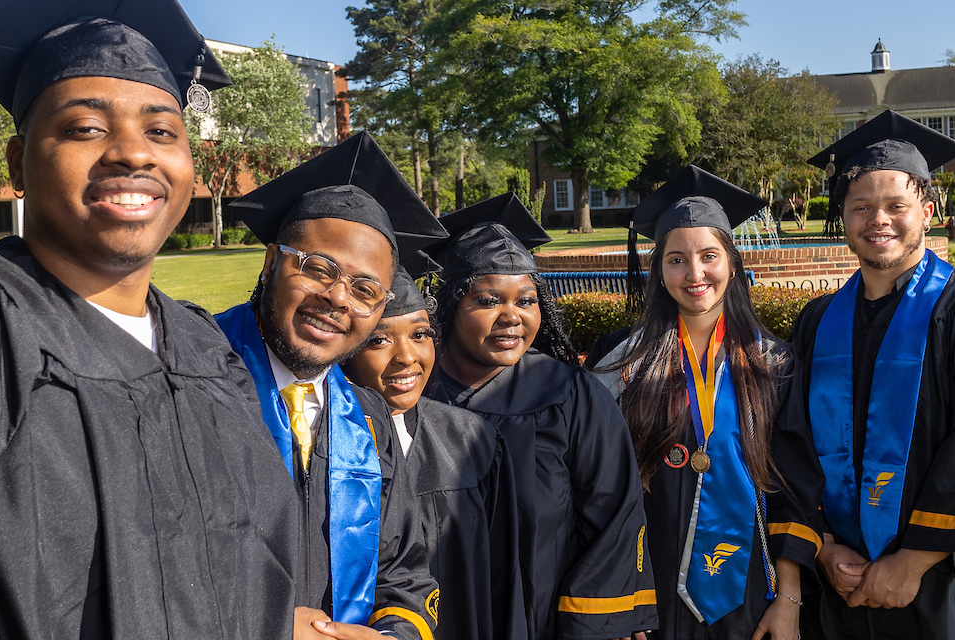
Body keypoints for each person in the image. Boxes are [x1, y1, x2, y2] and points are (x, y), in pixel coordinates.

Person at [0, 0, 299, 639]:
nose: (132, 152)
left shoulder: (211, 353)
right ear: (17, 164)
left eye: (161, 130)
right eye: (85, 127)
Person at [791, 110, 955, 639]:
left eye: (895, 206)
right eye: (861, 207)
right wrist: (826, 544)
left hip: (949, 578)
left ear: (927, 212)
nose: (878, 219)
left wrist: (914, 561)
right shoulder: (817, 323)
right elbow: (792, 441)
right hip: (841, 580)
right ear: (843, 218)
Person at [214, 132, 445, 640]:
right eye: (318, 269)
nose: (339, 298)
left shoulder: (368, 416)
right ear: (272, 262)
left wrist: (392, 637)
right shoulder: (189, 381)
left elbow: (403, 568)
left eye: (366, 290)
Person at [593, 165, 824, 639]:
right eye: (676, 259)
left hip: (754, 593)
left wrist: (789, 598)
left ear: (733, 263)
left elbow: (795, 487)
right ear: (658, 271)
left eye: (709, 255)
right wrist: (618, 599)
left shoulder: (775, 364)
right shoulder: (620, 364)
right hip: (647, 590)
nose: (694, 273)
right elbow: (601, 492)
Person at [423, 193, 656, 640]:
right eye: (489, 301)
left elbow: (615, 513)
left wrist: (599, 622)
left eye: (526, 301)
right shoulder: (414, 396)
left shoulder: (570, 394)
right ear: (451, 305)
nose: (511, 317)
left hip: (547, 620)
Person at [343, 257, 528, 640]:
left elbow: (503, 579)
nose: (407, 357)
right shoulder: (324, 447)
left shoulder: (472, 441)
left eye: (420, 334)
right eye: (379, 339)